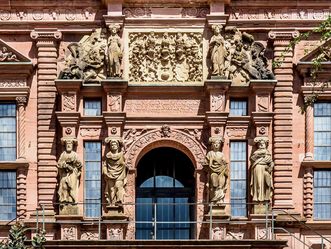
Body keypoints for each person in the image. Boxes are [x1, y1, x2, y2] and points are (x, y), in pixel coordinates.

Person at [103, 138, 127, 206]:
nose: (114, 146)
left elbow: (126, 164)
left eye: (115, 145)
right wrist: (105, 172)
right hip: (110, 174)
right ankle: (112, 204)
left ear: (118, 146)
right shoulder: (108, 156)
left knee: (118, 186)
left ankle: (119, 201)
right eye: (112, 145)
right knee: (111, 189)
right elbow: (105, 165)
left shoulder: (121, 155)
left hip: (120, 174)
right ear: (110, 147)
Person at [57, 138, 82, 204]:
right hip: (64, 174)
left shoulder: (75, 154)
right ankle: (64, 199)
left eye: (70, 144)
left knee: (72, 187)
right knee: (64, 186)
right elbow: (59, 163)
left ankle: (72, 200)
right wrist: (65, 165)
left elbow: (79, 165)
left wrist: (76, 164)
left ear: (72, 146)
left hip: (73, 173)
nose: (68, 146)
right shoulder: (63, 154)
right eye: (67, 144)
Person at [250, 137, 274, 202]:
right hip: (257, 168)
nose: (261, 145)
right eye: (260, 143)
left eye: (263, 143)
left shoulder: (267, 152)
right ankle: (257, 198)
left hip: (265, 169)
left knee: (267, 184)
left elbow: (271, 162)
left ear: (265, 144)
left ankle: (265, 198)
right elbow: (252, 159)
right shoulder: (256, 152)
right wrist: (259, 155)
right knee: (258, 183)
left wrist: (270, 167)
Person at [205, 137, 228, 204]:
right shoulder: (210, 153)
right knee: (214, 185)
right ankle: (214, 199)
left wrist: (224, 164)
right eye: (215, 143)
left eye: (218, 143)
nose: (216, 145)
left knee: (221, 185)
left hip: (222, 171)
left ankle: (219, 200)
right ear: (212, 145)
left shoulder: (221, 154)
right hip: (213, 171)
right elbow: (205, 163)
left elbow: (225, 163)